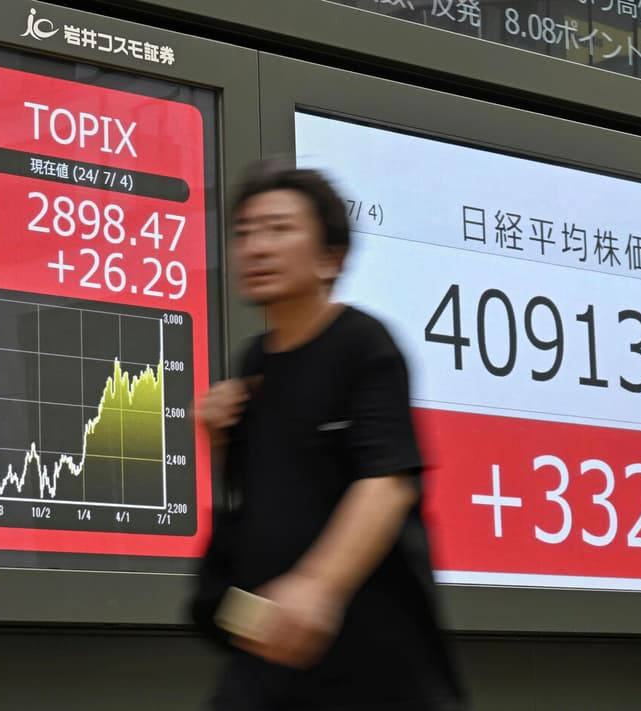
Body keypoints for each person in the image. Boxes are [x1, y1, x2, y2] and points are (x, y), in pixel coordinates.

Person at [191, 161, 464, 710]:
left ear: (329, 258)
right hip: (276, 657)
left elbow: (387, 482)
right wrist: (220, 442)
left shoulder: (363, 345)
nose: (256, 247)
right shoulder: (253, 365)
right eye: (245, 233)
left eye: (278, 229)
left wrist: (318, 585)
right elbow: (267, 502)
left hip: (373, 661)